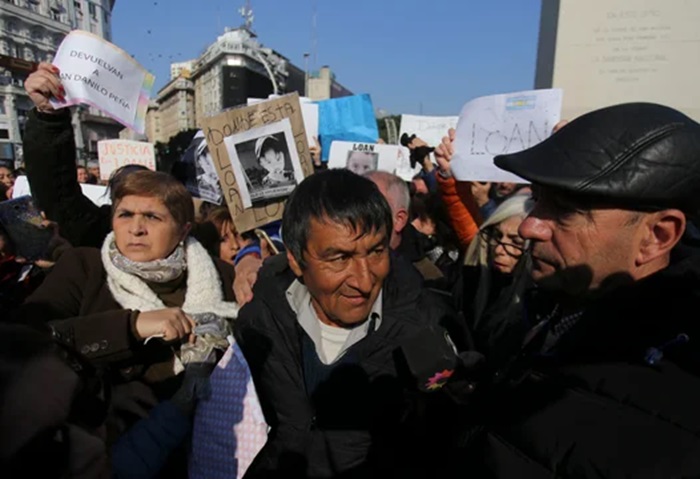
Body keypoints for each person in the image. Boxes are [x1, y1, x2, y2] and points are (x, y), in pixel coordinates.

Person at [461, 103, 700, 477]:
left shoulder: (680, 399)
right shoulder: (553, 306)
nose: (529, 228)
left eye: (567, 209)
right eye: (538, 198)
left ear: (656, 237)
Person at [192, 169, 466, 478]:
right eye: (339, 258)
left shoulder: (429, 325)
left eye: (376, 252)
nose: (364, 280)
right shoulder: (260, 319)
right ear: (296, 260)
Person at [12, 170, 238, 461]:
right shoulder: (84, 268)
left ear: (183, 230)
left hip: (201, 453)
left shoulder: (223, 276)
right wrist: (130, 326)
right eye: (125, 215)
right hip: (96, 456)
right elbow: (24, 342)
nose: (136, 228)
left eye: (153, 217)